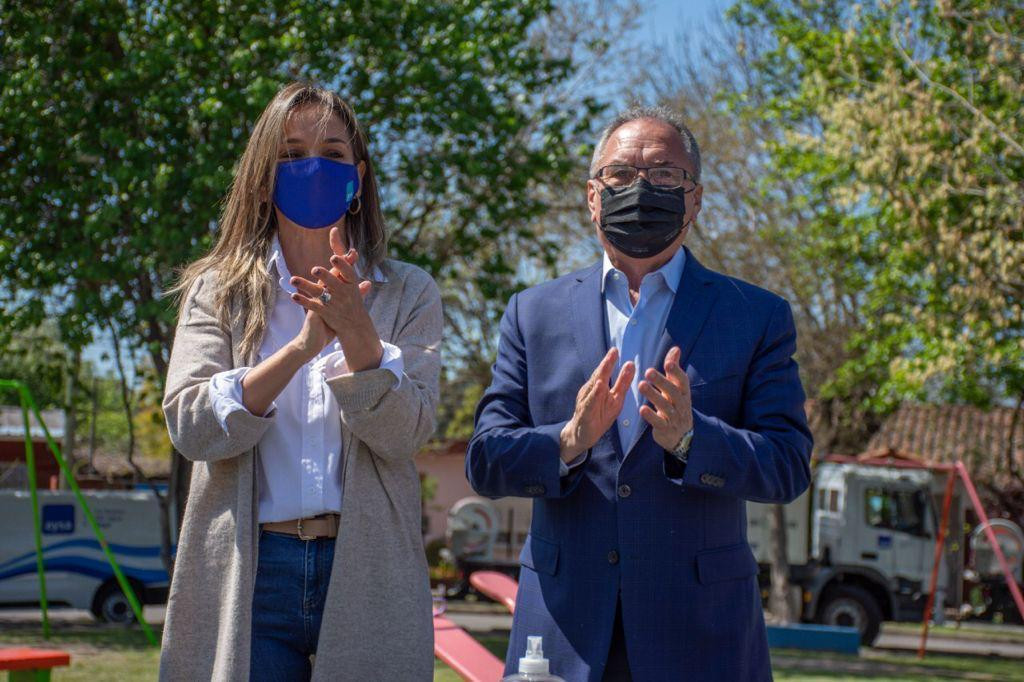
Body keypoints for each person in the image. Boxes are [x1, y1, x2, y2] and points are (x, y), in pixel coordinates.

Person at [466, 105, 813, 681]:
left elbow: (787, 466)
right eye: (621, 175)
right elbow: (486, 460)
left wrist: (693, 440)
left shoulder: (756, 316)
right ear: (592, 197)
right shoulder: (532, 313)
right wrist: (569, 441)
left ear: (695, 200)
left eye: (664, 175)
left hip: (701, 636)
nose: (642, 188)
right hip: (564, 633)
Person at [160, 83, 441, 681]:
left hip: (366, 568)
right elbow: (190, 426)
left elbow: (407, 432)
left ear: (358, 178)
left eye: (334, 153)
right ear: (263, 178)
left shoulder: (410, 291)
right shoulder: (216, 289)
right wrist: (302, 348)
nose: (312, 166)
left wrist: (358, 334)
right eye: (290, 155)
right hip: (252, 571)